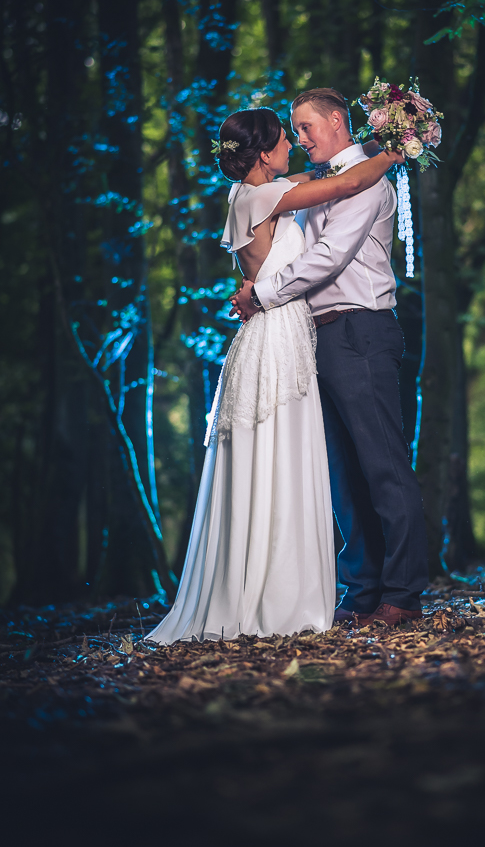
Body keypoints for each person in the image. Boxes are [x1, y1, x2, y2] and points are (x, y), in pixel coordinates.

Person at [147, 107, 404, 643]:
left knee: (287, 455)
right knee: (283, 454)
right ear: (264, 153)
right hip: (279, 329)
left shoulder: (258, 190)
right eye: (287, 138)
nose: (294, 144)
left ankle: (275, 585)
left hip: (283, 330)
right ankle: (277, 593)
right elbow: (351, 180)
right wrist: (398, 150)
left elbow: (324, 175)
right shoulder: (264, 196)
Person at [231, 89, 428, 628]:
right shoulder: (313, 184)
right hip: (314, 339)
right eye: (293, 130)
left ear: (337, 121)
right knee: (344, 474)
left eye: (305, 126)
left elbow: (327, 257)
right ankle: (362, 590)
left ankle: (403, 593)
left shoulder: (366, 182)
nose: (298, 138)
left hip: (360, 329)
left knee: (383, 466)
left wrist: (263, 294)